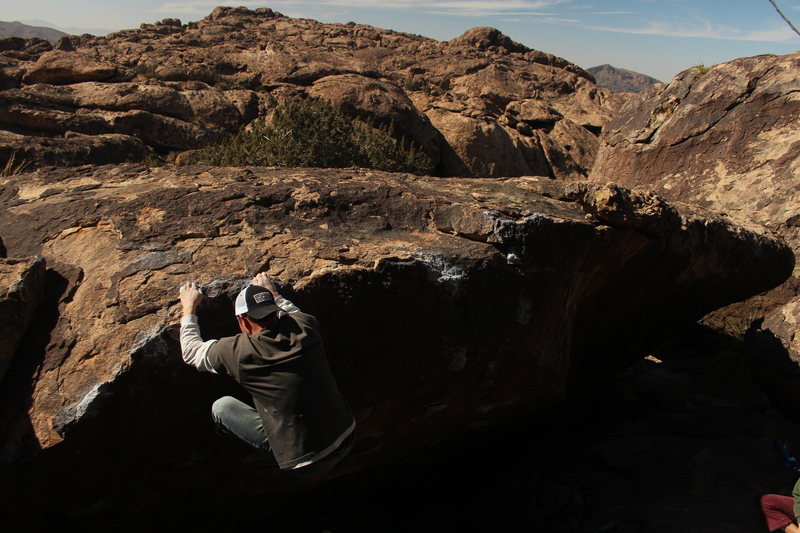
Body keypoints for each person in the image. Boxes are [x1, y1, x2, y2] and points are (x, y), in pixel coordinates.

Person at [178, 272, 355, 478]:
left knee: (222, 407)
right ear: (275, 311)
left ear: (243, 321)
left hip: (305, 463)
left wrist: (189, 307)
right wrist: (273, 294)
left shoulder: (238, 351)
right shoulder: (306, 326)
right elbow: (292, 313)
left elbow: (191, 352)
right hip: (346, 434)